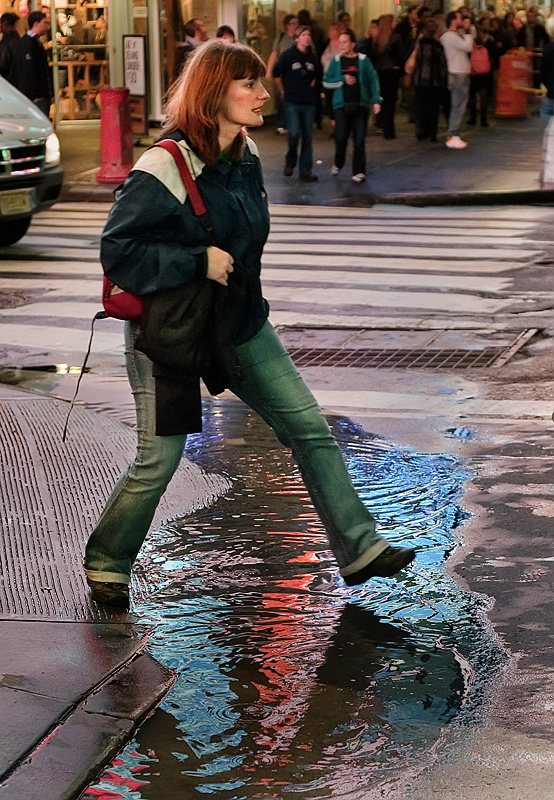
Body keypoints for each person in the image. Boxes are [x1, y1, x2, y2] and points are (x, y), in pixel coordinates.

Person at [83, 39, 415, 608]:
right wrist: (195, 261)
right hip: (170, 333)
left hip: (239, 325)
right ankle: (107, 560)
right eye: (250, 85)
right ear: (216, 93)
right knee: (158, 458)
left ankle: (361, 547)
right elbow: (119, 251)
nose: (265, 94)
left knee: (309, 428)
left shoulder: (247, 154)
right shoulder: (165, 163)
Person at [323, 30, 381, 181]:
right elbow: (326, 81)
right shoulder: (336, 62)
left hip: (360, 105)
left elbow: (372, 80)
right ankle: (338, 163)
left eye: (345, 42)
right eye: (340, 42)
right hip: (341, 106)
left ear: (353, 44)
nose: (342, 45)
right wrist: (343, 78)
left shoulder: (363, 60)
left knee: (360, 139)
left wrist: (376, 100)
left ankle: (359, 171)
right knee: (341, 137)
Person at [273, 25, 320, 181]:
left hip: (308, 102)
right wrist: (282, 90)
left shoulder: (312, 57)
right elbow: (276, 73)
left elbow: (317, 74)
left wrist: (312, 84)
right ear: (297, 38)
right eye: (304, 35)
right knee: (293, 133)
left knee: (307, 136)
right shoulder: (288, 55)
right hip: (292, 101)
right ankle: (290, 161)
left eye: (308, 35)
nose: (307, 37)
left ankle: (305, 170)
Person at [367, 14, 405, 139]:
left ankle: (381, 125)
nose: (395, 23)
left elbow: (372, 55)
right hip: (392, 71)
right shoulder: (396, 38)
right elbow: (400, 56)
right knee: (390, 101)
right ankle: (389, 130)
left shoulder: (377, 39)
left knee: (381, 99)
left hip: (379, 72)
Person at [7, 9, 51, 117]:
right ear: (36, 24)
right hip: (34, 97)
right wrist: (35, 95)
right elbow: (27, 71)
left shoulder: (35, 42)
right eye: (45, 23)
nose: (47, 26)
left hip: (38, 95)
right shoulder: (27, 44)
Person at [441, 9, 473, 149]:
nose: (462, 21)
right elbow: (468, 46)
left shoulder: (453, 36)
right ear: (454, 20)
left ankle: (453, 133)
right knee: (458, 105)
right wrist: (468, 32)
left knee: (459, 104)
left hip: (459, 73)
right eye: (460, 18)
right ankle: (452, 134)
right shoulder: (449, 36)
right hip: (457, 73)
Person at [412, 17, 448, 142]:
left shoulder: (420, 42)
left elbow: (417, 60)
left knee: (421, 106)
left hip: (421, 79)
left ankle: (422, 130)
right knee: (433, 107)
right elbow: (442, 64)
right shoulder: (438, 44)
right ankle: (432, 132)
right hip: (434, 80)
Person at [265, 14, 298, 134]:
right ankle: (281, 123)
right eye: (293, 23)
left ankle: (292, 124)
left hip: (295, 74)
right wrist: (269, 71)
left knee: (293, 99)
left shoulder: (299, 38)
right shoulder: (281, 37)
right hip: (282, 73)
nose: (295, 26)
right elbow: (274, 54)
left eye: (297, 23)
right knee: (281, 97)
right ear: (287, 25)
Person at [517, 6, 549, 88]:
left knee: (536, 74)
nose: (531, 18)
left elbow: (546, 40)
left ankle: (536, 89)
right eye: (529, 16)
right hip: (525, 55)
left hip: (537, 55)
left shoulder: (540, 28)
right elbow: (519, 42)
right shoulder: (523, 29)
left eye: (533, 16)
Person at [0, 12, 19, 79]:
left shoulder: (7, 41)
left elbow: (2, 64)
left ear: (5, 23)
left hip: (7, 78)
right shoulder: (17, 39)